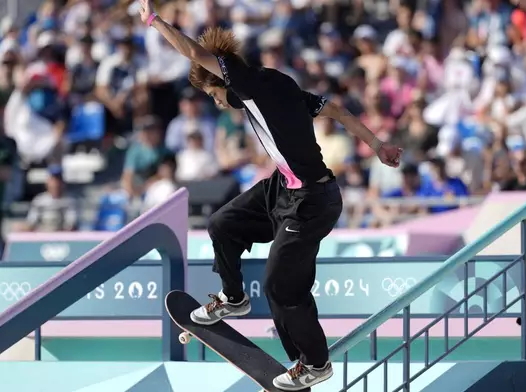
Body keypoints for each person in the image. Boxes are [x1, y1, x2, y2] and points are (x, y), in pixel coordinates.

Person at [136, 1, 402, 390]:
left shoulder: (249, 83)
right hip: (283, 188)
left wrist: (155, 21)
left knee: (280, 283)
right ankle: (233, 297)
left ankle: (314, 363)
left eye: (213, 95)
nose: (217, 103)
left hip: (313, 200)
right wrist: (377, 144)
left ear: (224, 82)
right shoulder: (281, 84)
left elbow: (193, 52)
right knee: (222, 223)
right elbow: (339, 112)